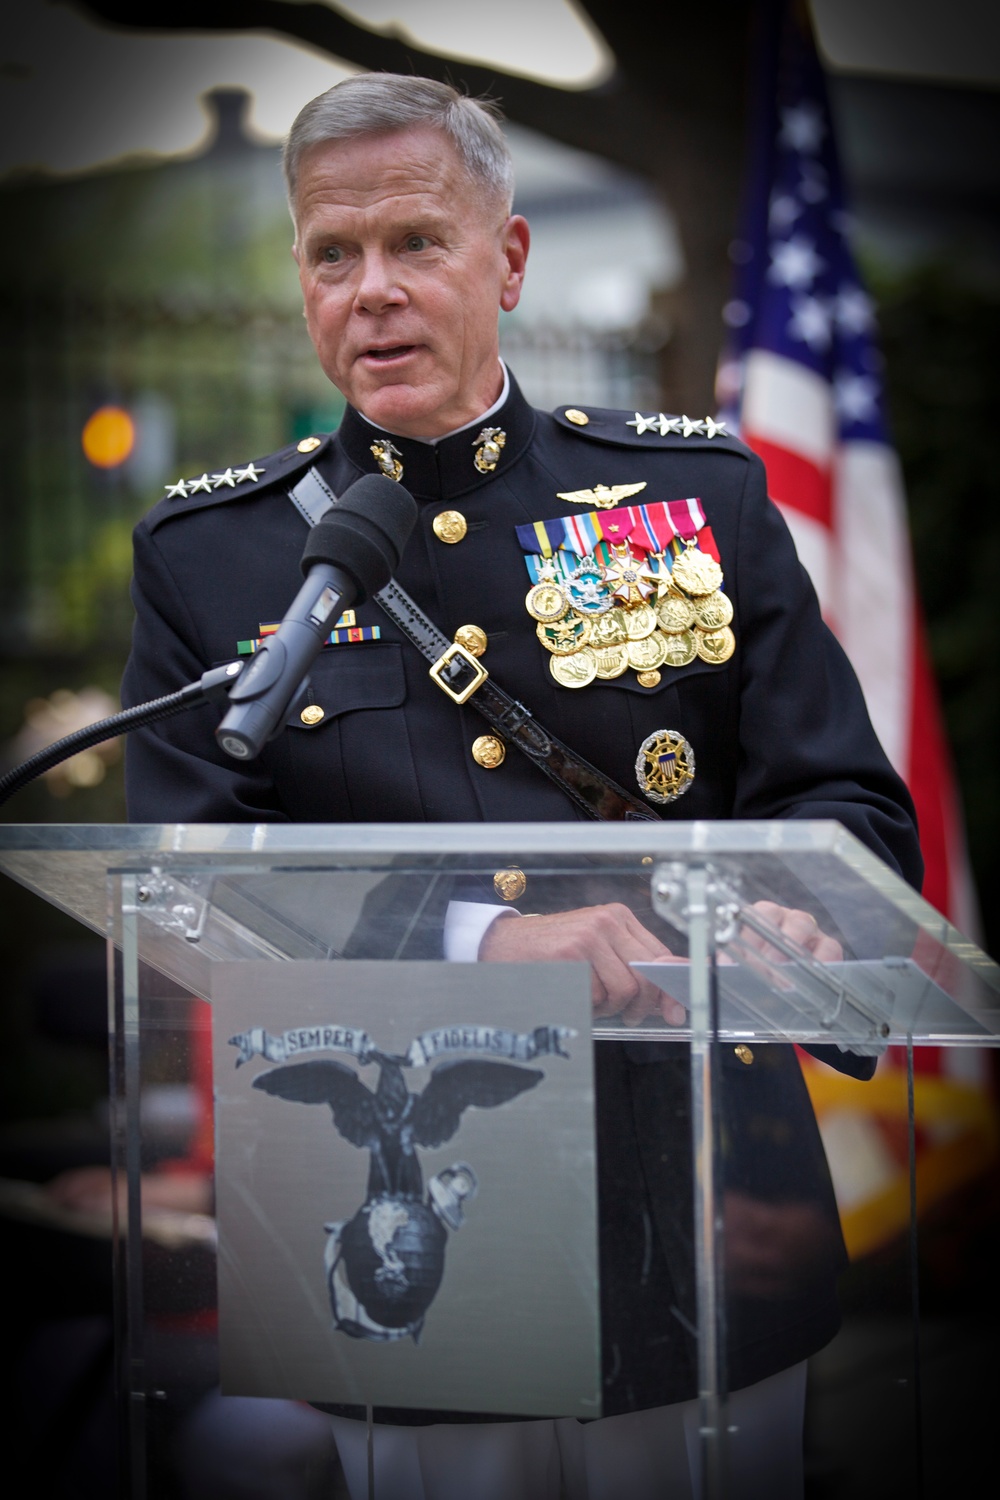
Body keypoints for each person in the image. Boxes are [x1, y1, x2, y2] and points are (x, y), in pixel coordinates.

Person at [121, 73, 923, 1500]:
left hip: (702, 1199)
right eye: (331, 253)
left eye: (416, 243)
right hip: (404, 1226)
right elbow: (194, 888)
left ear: (509, 258)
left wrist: (804, 921)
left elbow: (850, 808)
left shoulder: (695, 503)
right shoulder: (210, 560)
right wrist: (484, 944)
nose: (371, 290)